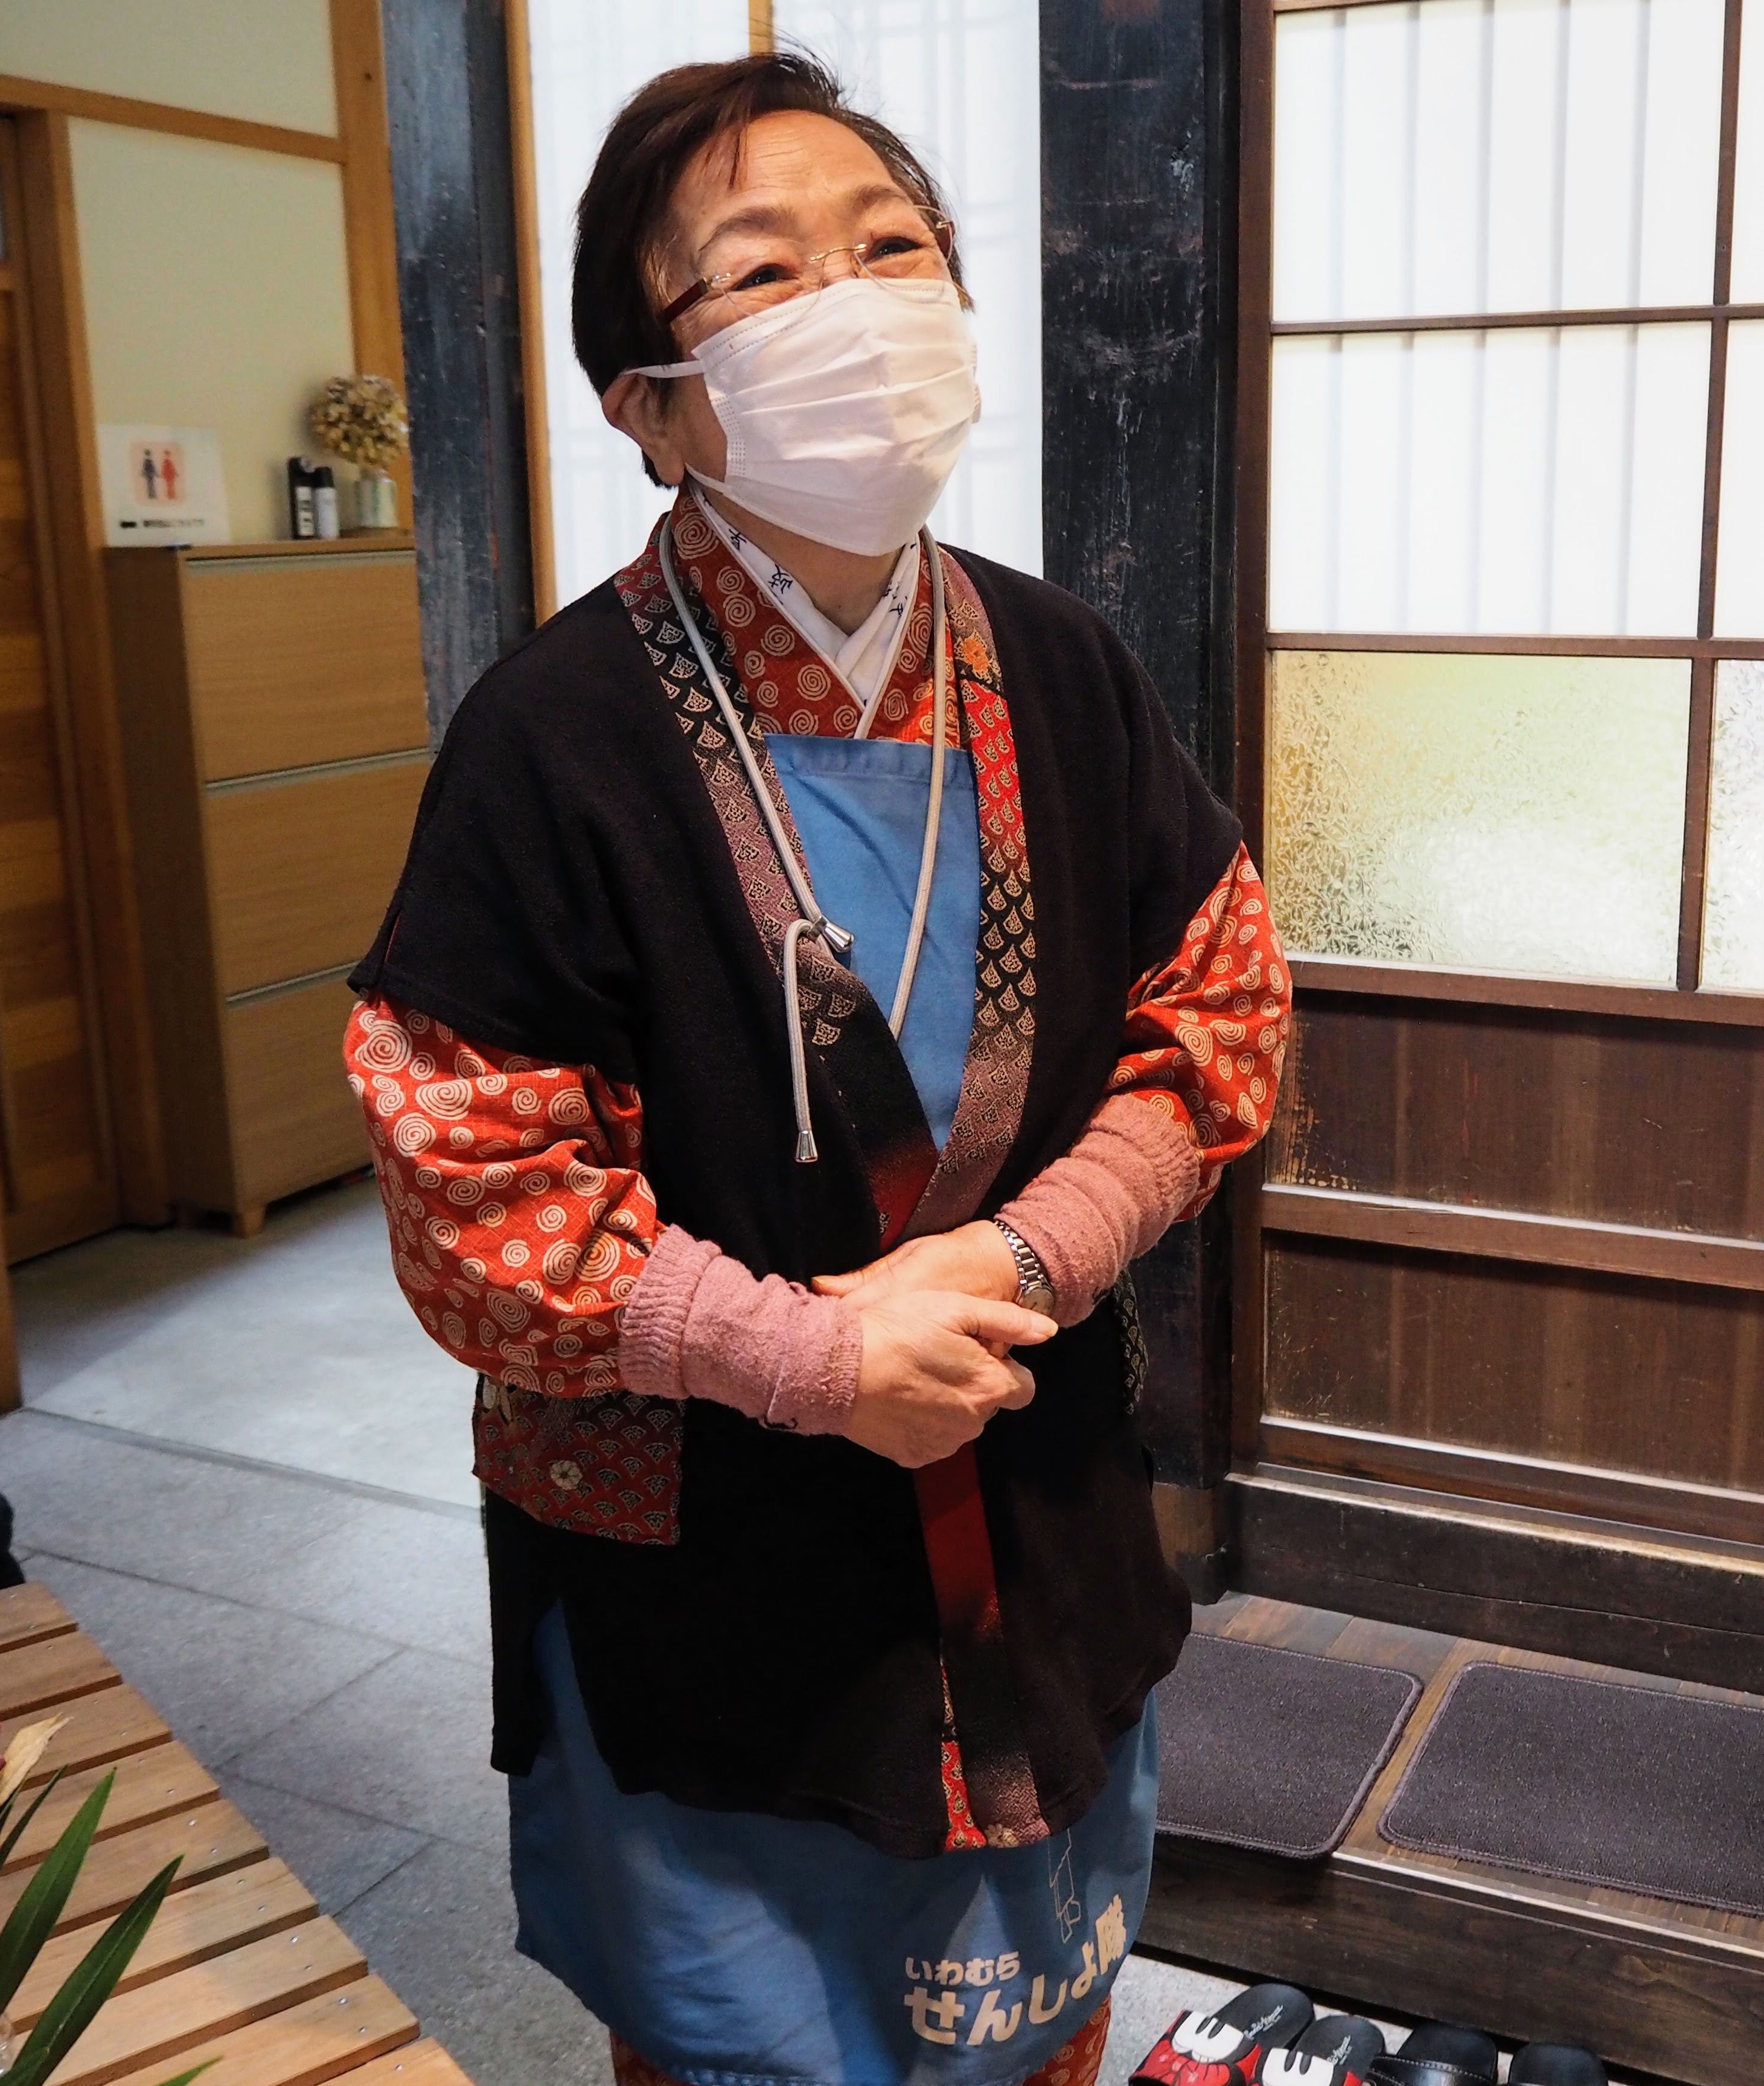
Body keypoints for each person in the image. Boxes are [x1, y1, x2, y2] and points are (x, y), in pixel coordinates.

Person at [342, 50, 1291, 2086]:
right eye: (767, 272)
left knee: (1040, 2017)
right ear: (649, 402)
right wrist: (806, 1355)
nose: (858, 307)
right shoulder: (553, 738)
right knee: (747, 2038)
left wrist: (1034, 1254)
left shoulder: (1065, 668)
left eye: (893, 248)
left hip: (1030, 1462)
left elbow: (1219, 1009)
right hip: (719, 1539)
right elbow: (474, 1193)